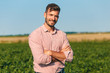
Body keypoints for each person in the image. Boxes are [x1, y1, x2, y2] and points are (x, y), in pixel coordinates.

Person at [29, 3, 73, 73]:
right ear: (45, 15)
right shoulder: (35, 35)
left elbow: (70, 57)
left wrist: (50, 52)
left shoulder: (62, 35)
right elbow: (40, 59)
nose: (53, 18)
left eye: (56, 16)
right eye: (51, 15)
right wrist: (60, 54)